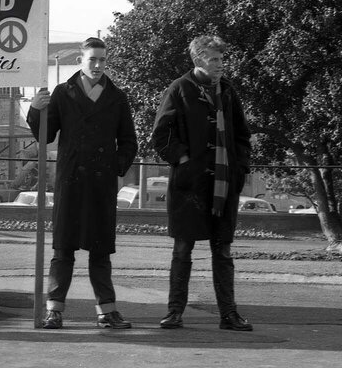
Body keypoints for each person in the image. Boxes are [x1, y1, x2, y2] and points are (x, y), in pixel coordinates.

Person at [27, 37, 137, 329]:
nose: (98, 65)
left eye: (102, 60)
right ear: (81, 61)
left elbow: (128, 141)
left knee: (100, 251)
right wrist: (36, 109)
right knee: (63, 249)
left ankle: (107, 311)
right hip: (71, 180)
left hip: (101, 184)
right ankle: (54, 310)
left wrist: (115, 167)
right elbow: (45, 136)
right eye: (93, 60)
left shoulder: (117, 97)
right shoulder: (63, 94)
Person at [151, 35, 253, 331]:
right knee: (183, 248)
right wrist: (183, 160)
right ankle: (174, 312)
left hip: (223, 186)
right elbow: (161, 135)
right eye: (214, 59)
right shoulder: (179, 89)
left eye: (222, 59)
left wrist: (240, 168)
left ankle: (229, 314)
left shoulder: (229, 92)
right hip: (189, 187)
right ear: (198, 61)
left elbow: (242, 136)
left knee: (223, 250)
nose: (221, 65)